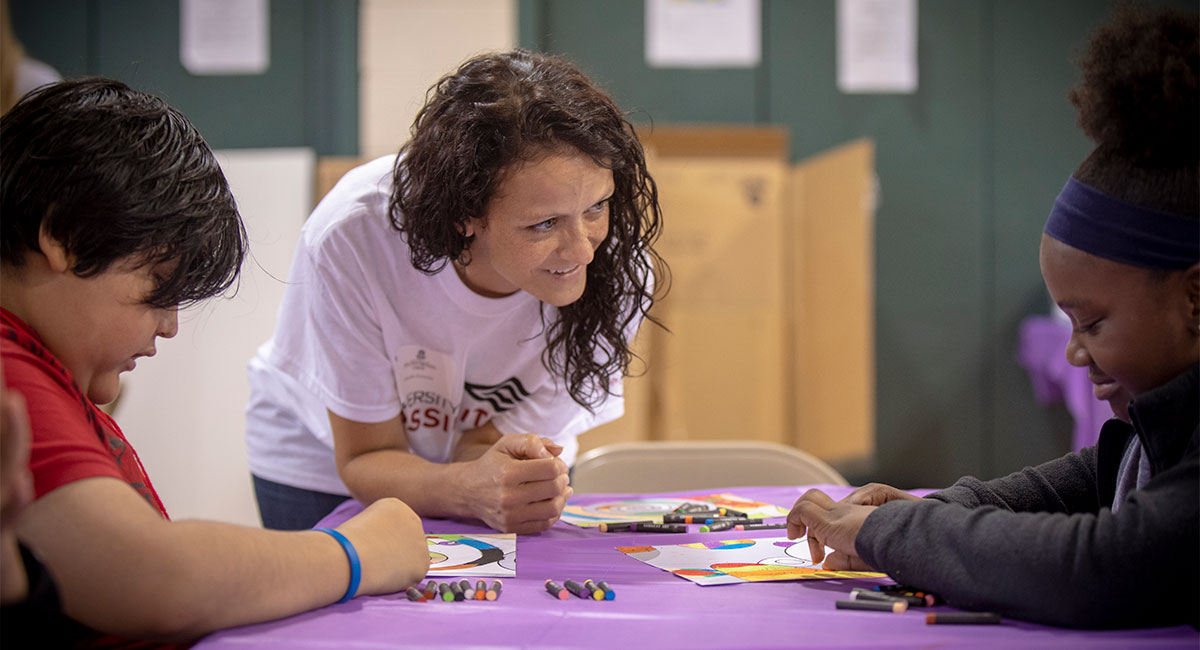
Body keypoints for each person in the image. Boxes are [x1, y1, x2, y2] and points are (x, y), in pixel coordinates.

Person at [787, 6, 1198, 629]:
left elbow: (1101, 567)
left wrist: (898, 530)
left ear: (1194, 299)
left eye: (1091, 324)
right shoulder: (1161, 431)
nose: (1074, 354)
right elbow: (1095, 477)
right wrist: (936, 510)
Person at [1, 78, 429, 648]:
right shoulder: (11, 373)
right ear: (65, 238)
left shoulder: (41, 365)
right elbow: (154, 578)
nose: (169, 324)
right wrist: (357, 554)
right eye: (157, 288)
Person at [244, 49, 666, 533]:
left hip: (487, 469)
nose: (582, 251)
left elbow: (487, 446)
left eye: (596, 207)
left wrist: (483, 466)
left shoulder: (619, 268)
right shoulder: (354, 235)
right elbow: (366, 456)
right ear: (465, 215)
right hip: (325, 468)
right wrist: (469, 487)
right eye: (544, 223)